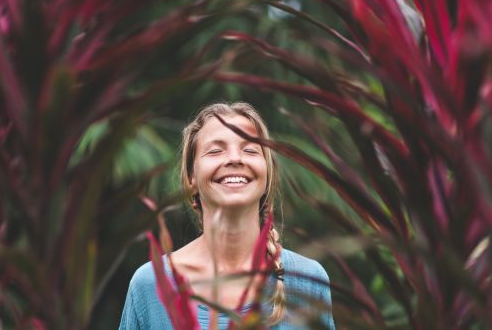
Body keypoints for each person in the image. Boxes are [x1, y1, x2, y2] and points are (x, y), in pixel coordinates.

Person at [119, 102, 335, 329]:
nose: (235, 158)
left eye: (250, 150)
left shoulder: (308, 280)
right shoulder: (151, 285)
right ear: (191, 179)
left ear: (267, 175)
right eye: (215, 150)